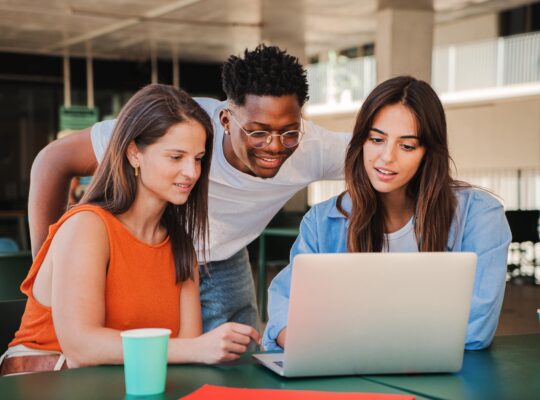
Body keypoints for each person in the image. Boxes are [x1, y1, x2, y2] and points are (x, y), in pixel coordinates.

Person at [28, 45, 351, 333]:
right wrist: (50, 269)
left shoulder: (315, 147)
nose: (274, 146)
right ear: (225, 120)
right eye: (257, 132)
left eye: (289, 132)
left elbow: (386, 160)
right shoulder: (183, 125)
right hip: (145, 252)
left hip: (219, 256)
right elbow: (53, 160)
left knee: (233, 365)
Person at [0, 84, 259, 376]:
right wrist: (200, 348)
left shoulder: (181, 244)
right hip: (49, 383)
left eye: (198, 159)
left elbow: (185, 355)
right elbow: (82, 348)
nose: (192, 172)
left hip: (124, 381)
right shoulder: (87, 226)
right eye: (176, 157)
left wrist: (208, 347)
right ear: (134, 153)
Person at [263, 76, 511, 352]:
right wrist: (300, 339)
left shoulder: (480, 216)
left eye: (407, 146)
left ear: (428, 153)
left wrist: (345, 336)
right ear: (361, 142)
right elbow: (286, 305)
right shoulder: (322, 222)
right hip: (343, 371)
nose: (386, 157)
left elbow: (475, 330)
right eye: (377, 139)